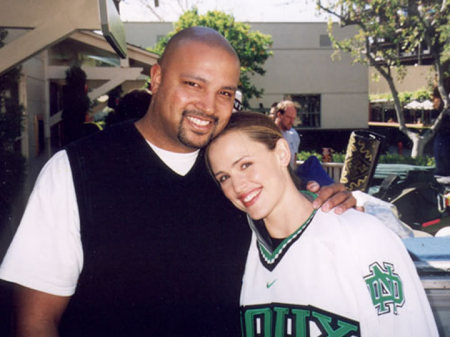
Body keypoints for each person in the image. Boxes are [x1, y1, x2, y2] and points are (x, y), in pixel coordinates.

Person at [0, 27, 355, 337]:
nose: (208, 105)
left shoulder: (236, 176)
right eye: (193, 84)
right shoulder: (76, 170)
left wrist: (334, 202)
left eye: (225, 93)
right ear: (155, 78)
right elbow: (34, 321)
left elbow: (298, 222)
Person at [205, 111, 439, 337]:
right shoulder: (234, 251)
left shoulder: (363, 237)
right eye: (224, 177)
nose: (238, 186)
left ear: (282, 153)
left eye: (245, 165)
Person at [275, 100, 300, 169]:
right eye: (289, 117)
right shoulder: (269, 133)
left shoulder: (294, 135)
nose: (292, 122)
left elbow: (294, 161)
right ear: (279, 115)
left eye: (293, 118)